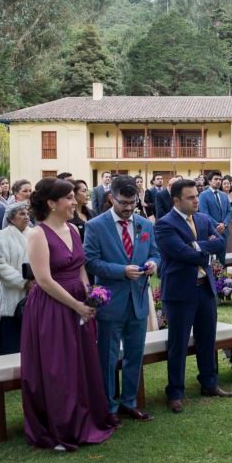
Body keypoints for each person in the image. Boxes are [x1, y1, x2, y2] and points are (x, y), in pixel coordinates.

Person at [20, 178, 115, 450]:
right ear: (52, 203)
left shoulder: (73, 228)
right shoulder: (38, 234)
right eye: (70, 198)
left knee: (81, 362)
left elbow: (81, 268)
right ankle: (60, 427)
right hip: (52, 307)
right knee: (57, 367)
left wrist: (90, 296)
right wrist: (75, 305)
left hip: (78, 302)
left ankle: (85, 417)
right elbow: (44, 280)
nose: (75, 202)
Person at [154, 179, 232, 413]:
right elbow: (180, 252)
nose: (196, 200)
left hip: (205, 289)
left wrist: (195, 247)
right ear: (176, 200)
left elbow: (220, 245)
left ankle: (209, 383)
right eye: (190, 197)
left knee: (207, 338)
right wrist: (202, 250)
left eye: (197, 196)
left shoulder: (202, 218)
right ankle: (175, 392)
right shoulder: (164, 224)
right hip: (180, 292)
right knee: (178, 343)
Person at [84, 176, 161, 424]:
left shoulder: (144, 225)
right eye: (124, 203)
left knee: (134, 355)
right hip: (110, 302)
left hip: (138, 301)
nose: (129, 208)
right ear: (111, 198)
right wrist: (121, 271)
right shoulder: (96, 226)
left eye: (133, 203)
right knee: (107, 358)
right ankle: (108, 407)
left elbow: (156, 253)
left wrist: (152, 264)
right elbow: (91, 262)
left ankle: (130, 402)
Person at [0, 202, 32, 355]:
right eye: (21, 214)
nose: (26, 216)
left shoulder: (35, 234)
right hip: (12, 296)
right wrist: (23, 282)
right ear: (11, 219)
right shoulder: (0, 236)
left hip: (34, 293)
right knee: (12, 344)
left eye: (27, 213)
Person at [198, 171, 232, 265]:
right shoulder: (203, 195)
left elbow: (229, 211)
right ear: (209, 181)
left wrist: (224, 224)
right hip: (211, 231)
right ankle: (212, 279)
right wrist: (217, 225)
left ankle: (222, 279)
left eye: (220, 179)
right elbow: (204, 213)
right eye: (216, 179)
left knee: (222, 259)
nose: (218, 181)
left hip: (224, 231)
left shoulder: (224, 195)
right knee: (211, 260)